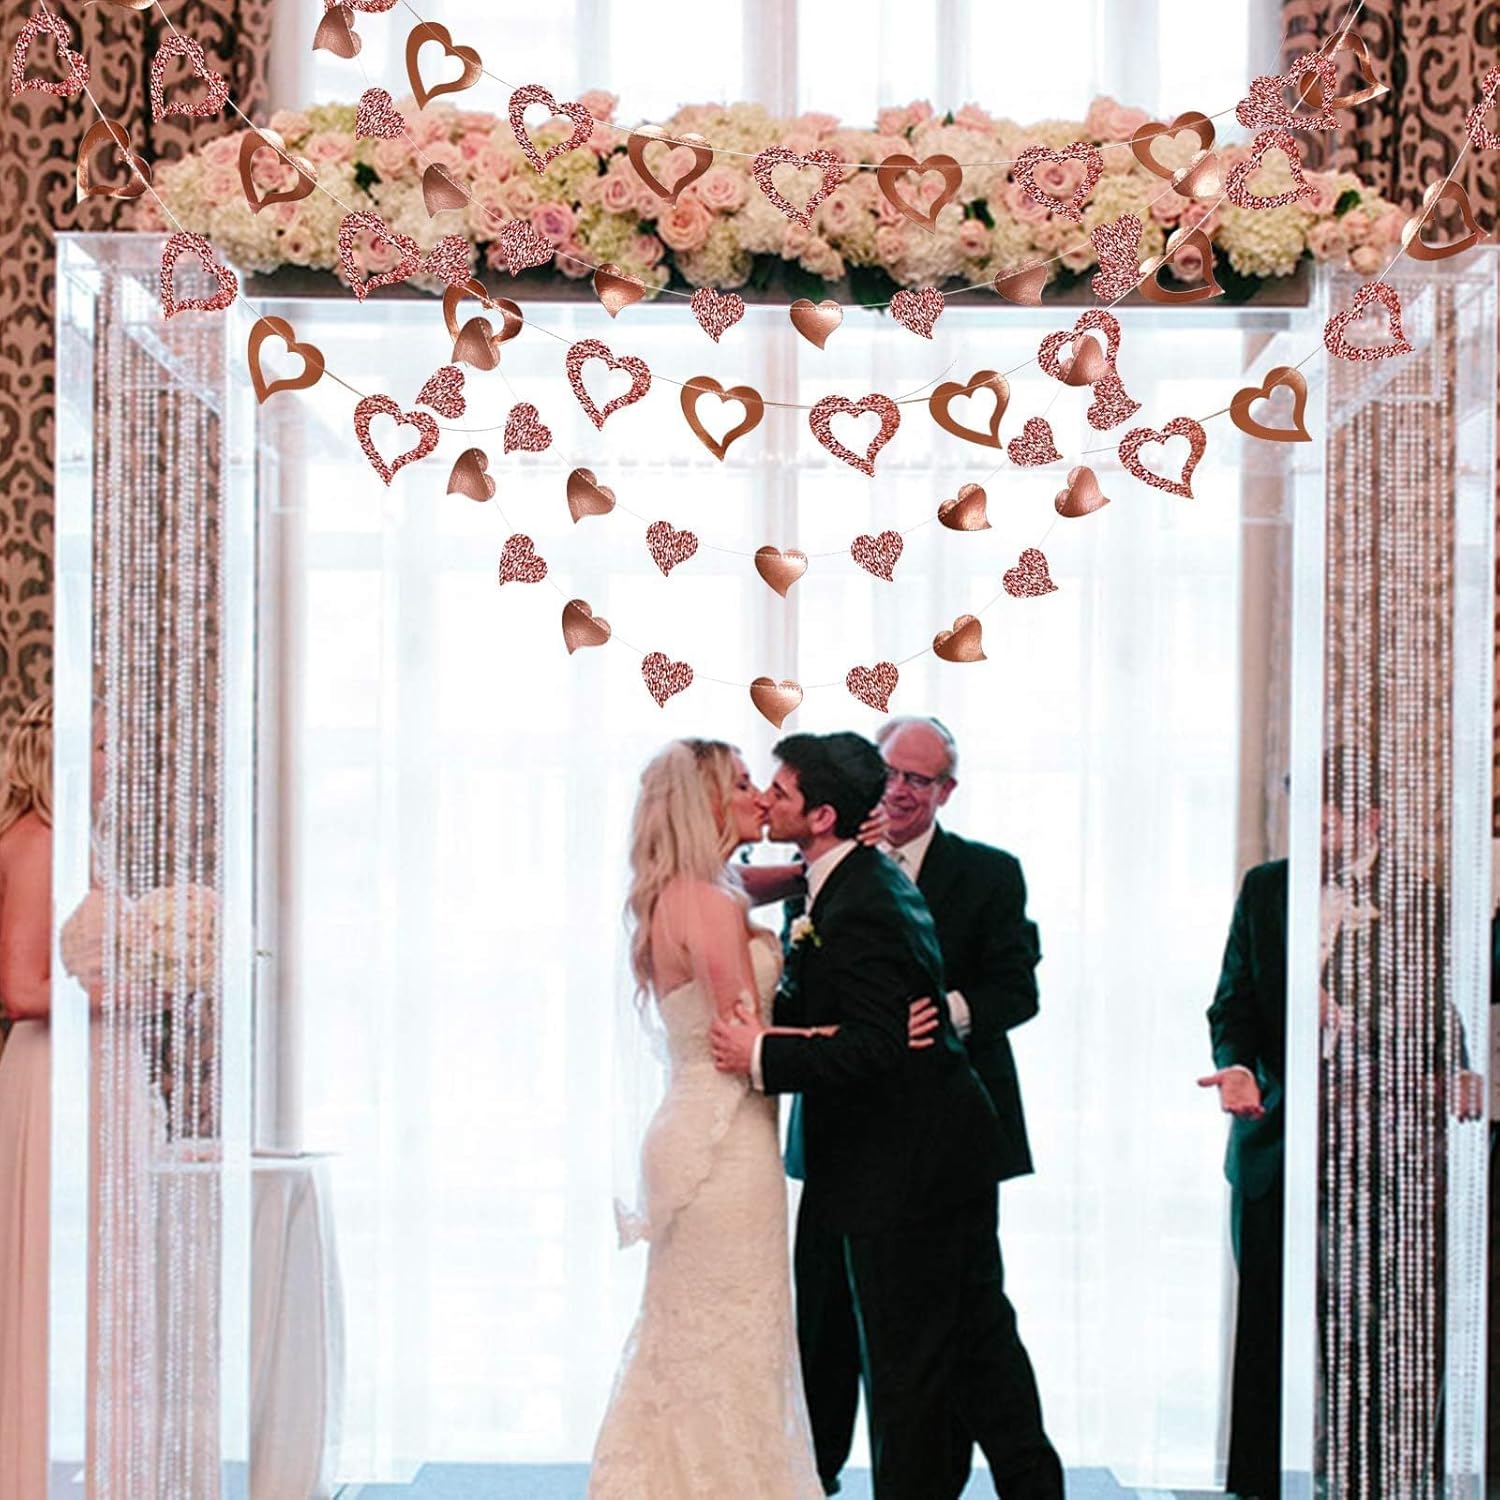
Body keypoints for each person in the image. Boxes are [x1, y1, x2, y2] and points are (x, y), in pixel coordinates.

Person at [711, 731, 1061, 1500]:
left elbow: (879, 1038)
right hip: (876, 1148)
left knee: (917, 1363)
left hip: (911, 1159)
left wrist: (763, 1052)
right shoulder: (835, 877)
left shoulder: (868, 893)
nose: (766, 798)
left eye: (780, 790)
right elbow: (833, 1004)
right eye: (890, 774)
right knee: (938, 1342)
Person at [1199, 771, 1484, 1499]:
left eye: (1328, 825)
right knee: (1264, 1322)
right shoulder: (1266, 888)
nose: (1315, 838)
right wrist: (1237, 1068)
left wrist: (1362, 1022)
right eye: (1308, 822)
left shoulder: (1419, 896)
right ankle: (1253, 1487)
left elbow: (1435, 1012)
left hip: (1378, 1142)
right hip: (1273, 1136)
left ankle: (1367, 1482)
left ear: (1372, 820)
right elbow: (1232, 1001)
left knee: (1372, 1327)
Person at [589, 738, 824, 1497]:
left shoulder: (680, 892)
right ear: (708, 803)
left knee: (687, 1331)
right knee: (734, 1339)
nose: (760, 797)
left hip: (689, 1127)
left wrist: (809, 868)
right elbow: (742, 1038)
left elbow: (753, 882)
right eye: (744, 784)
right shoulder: (714, 902)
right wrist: (847, 1038)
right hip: (727, 1139)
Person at [0, 697, 57, 1496]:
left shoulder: (55, 836)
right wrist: (131, 990)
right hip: (47, 1071)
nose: (117, 763)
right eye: (104, 746)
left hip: (65, 1066)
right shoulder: (38, 842)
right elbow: (19, 990)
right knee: (45, 1261)